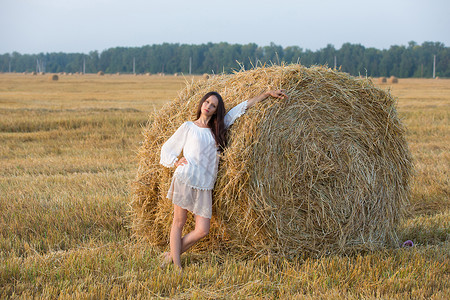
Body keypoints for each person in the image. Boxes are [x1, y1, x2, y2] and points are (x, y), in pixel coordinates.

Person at [159, 89, 288, 271]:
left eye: (213, 105)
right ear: (201, 103)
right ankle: (177, 266)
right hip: (185, 178)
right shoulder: (188, 126)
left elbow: (241, 108)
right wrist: (175, 161)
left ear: (215, 111)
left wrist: (266, 94)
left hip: (205, 185)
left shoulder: (218, 128)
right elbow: (167, 148)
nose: (209, 107)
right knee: (178, 223)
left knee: (202, 230)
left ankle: (171, 255)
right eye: (207, 102)